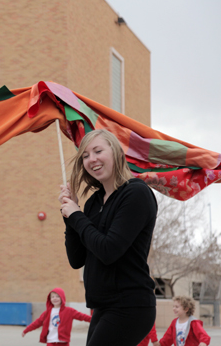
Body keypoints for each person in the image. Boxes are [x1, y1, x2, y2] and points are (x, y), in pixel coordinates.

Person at [58, 129, 157, 346]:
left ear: (115, 152)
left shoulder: (136, 193)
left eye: (97, 151)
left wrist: (76, 215)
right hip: (101, 306)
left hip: (130, 306)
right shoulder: (94, 202)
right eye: (85, 155)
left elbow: (108, 250)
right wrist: (70, 215)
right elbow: (77, 259)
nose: (91, 159)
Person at [21, 287, 91, 345]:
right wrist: (26, 330)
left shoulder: (69, 311)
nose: (55, 298)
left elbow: (83, 317)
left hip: (63, 342)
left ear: (62, 298)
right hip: (51, 341)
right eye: (52, 297)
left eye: (57, 296)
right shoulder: (47, 313)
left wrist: (95, 320)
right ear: (50, 299)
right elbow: (37, 322)